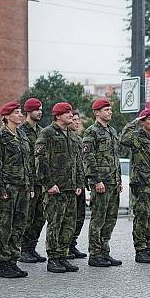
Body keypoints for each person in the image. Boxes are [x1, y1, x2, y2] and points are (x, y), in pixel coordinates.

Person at [35, 102, 83, 273]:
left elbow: (77, 162)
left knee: (68, 224)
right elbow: (40, 160)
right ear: (57, 115)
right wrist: (48, 184)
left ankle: (63, 255)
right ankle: (53, 258)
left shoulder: (72, 135)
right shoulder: (47, 133)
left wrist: (79, 183)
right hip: (56, 188)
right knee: (55, 224)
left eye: (71, 112)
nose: (71, 115)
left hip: (70, 188)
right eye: (67, 112)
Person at [0, 102, 35, 279]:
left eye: (20, 112)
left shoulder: (22, 134)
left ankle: (13, 260)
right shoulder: (0, 136)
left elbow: (28, 163)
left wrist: (30, 185)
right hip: (8, 189)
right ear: (7, 116)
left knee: (19, 224)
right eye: (16, 113)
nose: (20, 115)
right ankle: (3, 263)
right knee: (4, 226)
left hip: (22, 188)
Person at [120, 107, 150, 264]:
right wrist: (134, 122)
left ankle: (148, 247)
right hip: (142, 183)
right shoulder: (136, 136)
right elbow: (123, 139)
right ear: (142, 122)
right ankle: (140, 250)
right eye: (149, 119)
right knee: (142, 216)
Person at [82, 98, 122, 268]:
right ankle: (95, 254)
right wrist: (96, 180)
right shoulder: (91, 132)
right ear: (97, 113)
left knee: (110, 219)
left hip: (113, 182)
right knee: (98, 219)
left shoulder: (112, 131)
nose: (110, 112)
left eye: (110, 109)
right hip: (101, 183)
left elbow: (115, 158)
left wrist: (118, 179)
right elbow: (88, 157)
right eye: (106, 110)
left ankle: (105, 252)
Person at [18, 97, 46, 264]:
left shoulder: (42, 131)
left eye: (41, 109)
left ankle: (31, 247)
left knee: (39, 217)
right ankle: (23, 249)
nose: (40, 112)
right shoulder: (21, 131)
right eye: (37, 109)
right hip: (28, 181)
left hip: (40, 180)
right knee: (27, 217)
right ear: (28, 111)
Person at [67, 108, 88, 260]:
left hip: (79, 184)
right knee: (68, 218)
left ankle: (72, 244)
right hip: (68, 185)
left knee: (79, 217)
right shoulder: (63, 138)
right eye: (73, 119)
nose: (77, 122)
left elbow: (81, 164)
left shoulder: (78, 140)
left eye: (78, 119)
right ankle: (64, 247)